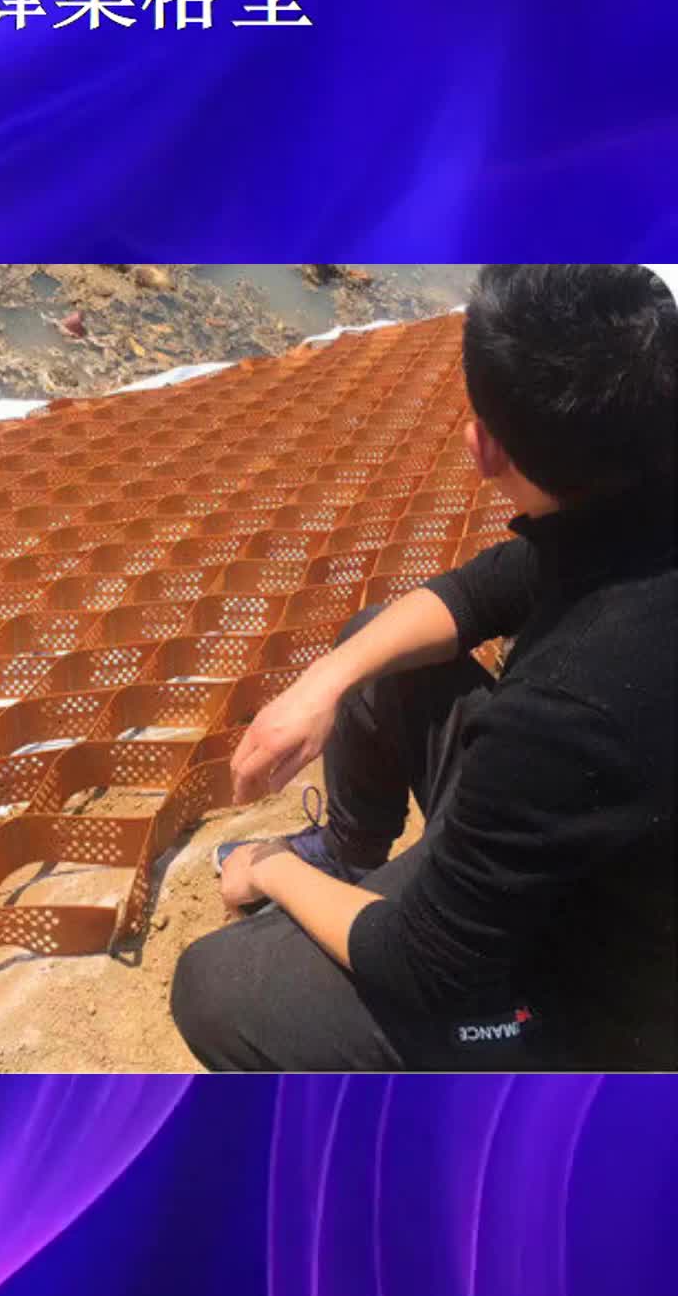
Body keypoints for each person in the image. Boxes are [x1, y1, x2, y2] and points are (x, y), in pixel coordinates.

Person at [171, 264, 676, 1071]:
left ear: (484, 448)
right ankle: (350, 853)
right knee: (376, 647)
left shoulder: (566, 708)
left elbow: (425, 967)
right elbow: (480, 592)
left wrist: (269, 869)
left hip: (590, 996)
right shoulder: (641, 505)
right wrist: (321, 684)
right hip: (596, 842)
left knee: (216, 988)